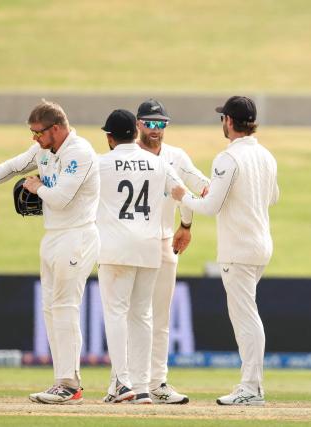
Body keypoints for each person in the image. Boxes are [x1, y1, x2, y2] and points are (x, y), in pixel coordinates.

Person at [0, 100, 100, 405]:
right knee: (50, 309)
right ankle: (61, 380)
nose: (35, 139)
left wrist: (35, 187)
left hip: (77, 236)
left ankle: (70, 383)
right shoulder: (44, 150)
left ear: (55, 129)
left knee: (66, 306)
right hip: (53, 236)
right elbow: (16, 164)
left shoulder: (80, 153)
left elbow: (61, 198)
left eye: (37, 133)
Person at [171, 96, 279, 406]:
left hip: (239, 248)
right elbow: (271, 197)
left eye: (223, 119)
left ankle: (251, 387)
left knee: (245, 317)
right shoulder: (266, 155)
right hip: (260, 244)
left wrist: (183, 196)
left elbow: (209, 207)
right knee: (247, 314)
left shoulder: (227, 158)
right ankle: (251, 386)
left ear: (229, 121)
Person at [96, 109, 193, 405]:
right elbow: (183, 194)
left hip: (115, 248)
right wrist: (185, 225)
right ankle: (141, 388)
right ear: (135, 132)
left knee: (116, 314)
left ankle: (121, 383)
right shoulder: (158, 163)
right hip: (150, 247)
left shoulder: (100, 163)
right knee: (143, 316)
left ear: (110, 138)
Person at [135, 99, 210, 404]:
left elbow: (198, 186)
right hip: (132, 244)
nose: (156, 130)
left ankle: (157, 382)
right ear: (138, 124)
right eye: (150, 123)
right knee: (134, 315)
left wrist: (187, 225)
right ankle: (124, 382)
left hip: (165, 241)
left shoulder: (176, 156)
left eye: (161, 124)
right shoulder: (125, 155)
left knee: (160, 318)